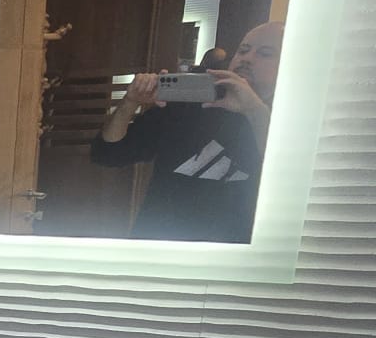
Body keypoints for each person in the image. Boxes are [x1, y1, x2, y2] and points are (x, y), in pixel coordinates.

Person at [89, 21, 283, 242]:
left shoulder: (291, 121)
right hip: (158, 247)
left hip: (234, 254)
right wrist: (130, 102)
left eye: (265, 54)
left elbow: (287, 179)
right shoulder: (188, 103)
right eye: (243, 50)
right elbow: (107, 153)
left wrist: (254, 110)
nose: (247, 58)